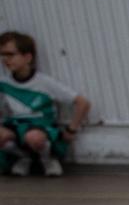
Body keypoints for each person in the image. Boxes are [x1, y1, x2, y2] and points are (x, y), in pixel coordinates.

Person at [0, 31, 91, 178]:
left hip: (41, 126)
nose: (5, 59)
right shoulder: (4, 83)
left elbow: (83, 103)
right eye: (3, 55)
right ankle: (24, 158)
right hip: (16, 125)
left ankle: (48, 159)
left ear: (27, 57)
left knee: (33, 137)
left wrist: (72, 130)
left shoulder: (44, 82)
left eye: (11, 54)